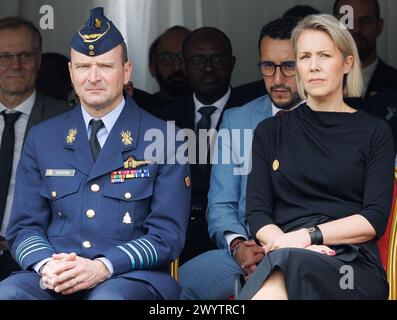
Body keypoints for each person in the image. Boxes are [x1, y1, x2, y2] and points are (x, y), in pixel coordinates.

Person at [0, 7, 190, 300]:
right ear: (70, 72)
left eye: (105, 66)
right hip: (55, 275)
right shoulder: (43, 137)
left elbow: (167, 236)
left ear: (127, 71)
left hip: (129, 278)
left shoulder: (166, 139)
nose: (93, 77)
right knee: (9, 292)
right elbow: (23, 226)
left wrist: (103, 266)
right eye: (83, 67)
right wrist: (47, 264)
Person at [239, 14, 394, 300]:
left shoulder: (375, 132)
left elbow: (373, 219)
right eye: (304, 57)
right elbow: (258, 214)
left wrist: (308, 236)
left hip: (352, 263)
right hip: (286, 252)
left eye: (324, 55)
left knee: (280, 270)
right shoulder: (270, 131)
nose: (313, 67)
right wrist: (290, 244)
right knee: (285, 265)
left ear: (347, 63)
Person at [179, 16, 302, 300]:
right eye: (269, 66)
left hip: (304, 248)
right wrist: (238, 246)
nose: (278, 79)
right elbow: (221, 203)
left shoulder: (328, 118)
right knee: (180, 282)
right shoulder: (237, 119)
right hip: (246, 249)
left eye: (289, 66)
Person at [159, 27, 255, 264]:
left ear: (231, 64)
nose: (208, 67)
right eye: (197, 60)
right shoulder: (163, 119)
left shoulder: (252, 113)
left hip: (239, 235)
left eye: (217, 59)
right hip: (180, 235)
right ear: (184, 65)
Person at [0, 17, 71, 281]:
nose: (15, 65)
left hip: (35, 256)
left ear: (39, 60)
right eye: (4, 56)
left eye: (24, 55)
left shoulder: (67, 120)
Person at [333, 0, 397, 98]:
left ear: (379, 27)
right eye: (346, 21)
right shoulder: (316, 81)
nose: (356, 29)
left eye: (365, 21)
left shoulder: (394, 82)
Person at [150, 26, 192, 108]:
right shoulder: (138, 112)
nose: (177, 67)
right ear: (152, 67)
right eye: (166, 58)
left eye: (184, 57)